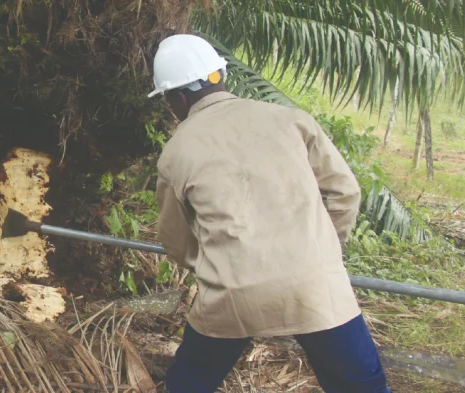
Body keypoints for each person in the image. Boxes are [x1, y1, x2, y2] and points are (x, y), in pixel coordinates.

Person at [148, 34, 391, 393]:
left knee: (190, 381)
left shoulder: (176, 151)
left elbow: (175, 240)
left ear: (177, 97)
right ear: (220, 74)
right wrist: (320, 250)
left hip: (232, 295)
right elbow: (344, 192)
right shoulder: (291, 120)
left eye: (168, 99)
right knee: (361, 385)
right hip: (313, 285)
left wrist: (217, 262)